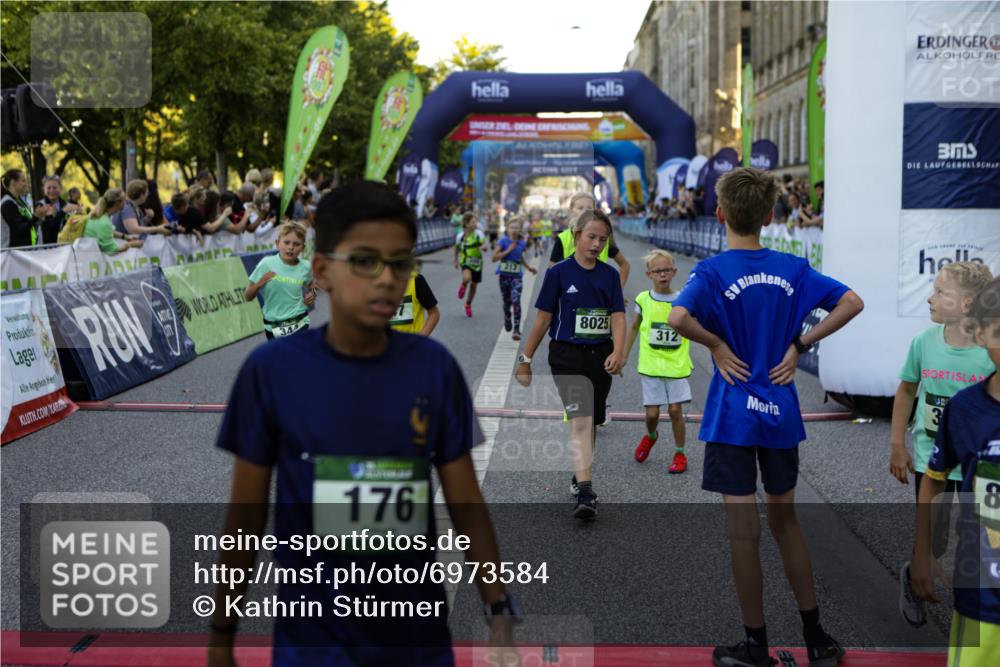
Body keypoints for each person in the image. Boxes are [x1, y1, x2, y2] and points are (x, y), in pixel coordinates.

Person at [208, 181, 517, 667]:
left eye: (400, 262)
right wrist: (220, 636)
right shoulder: (269, 373)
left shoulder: (434, 369)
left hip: (415, 640)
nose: (386, 278)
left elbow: (466, 504)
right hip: (312, 645)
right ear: (321, 270)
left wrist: (499, 609)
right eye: (365, 261)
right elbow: (244, 519)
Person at [668, 168, 864, 667]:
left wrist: (714, 343)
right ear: (771, 215)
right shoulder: (793, 268)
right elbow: (851, 302)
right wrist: (800, 345)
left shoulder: (711, 271)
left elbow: (676, 317)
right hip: (779, 408)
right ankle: (817, 638)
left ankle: (755, 644)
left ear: (720, 213)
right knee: (786, 521)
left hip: (734, 410)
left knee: (742, 530)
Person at [891, 262, 994, 627]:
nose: (930, 299)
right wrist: (896, 444)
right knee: (935, 539)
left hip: (975, 464)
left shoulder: (988, 353)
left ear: (967, 304)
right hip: (928, 459)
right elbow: (906, 391)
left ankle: (977, 609)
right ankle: (914, 576)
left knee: (977, 536)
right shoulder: (923, 343)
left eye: (939, 293)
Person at [911, 276, 1000, 667]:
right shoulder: (964, 410)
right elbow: (932, 482)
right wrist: (922, 554)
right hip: (981, 597)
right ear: (980, 333)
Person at [516, 209, 626, 520]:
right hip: (566, 354)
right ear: (576, 236)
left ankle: (581, 474)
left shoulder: (609, 275)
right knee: (580, 417)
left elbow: (618, 316)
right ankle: (587, 491)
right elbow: (543, 319)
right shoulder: (558, 273)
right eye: (591, 237)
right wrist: (525, 359)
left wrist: (619, 352)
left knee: (590, 420)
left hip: (600, 355)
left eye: (602, 240)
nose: (596, 245)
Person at [625, 250, 693, 473]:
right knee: (652, 414)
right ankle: (651, 435)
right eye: (657, 271)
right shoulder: (643, 299)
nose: (662, 275)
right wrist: (622, 355)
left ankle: (680, 453)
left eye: (666, 270)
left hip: (676, 363)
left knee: (675, 410)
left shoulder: (683, 299)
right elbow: (634, 327)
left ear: (674, 272)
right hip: (651, 364)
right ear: (649, 274)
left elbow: (694, 326)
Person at [245, 221, 315, 341]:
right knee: (280, 358)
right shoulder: (266, 263)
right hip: (273, 326)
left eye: (296, 244)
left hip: (300, 321)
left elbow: (311, 286)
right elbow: (247, 296)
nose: (291, 247)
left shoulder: (306, 267)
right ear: (278, 243)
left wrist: (312, 294)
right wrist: (260, 283)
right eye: (286, 242)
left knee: (295, 357)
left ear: (303, 248)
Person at [550, 192, 631, 297]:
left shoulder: (605, 237)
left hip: (599, 299)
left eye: (589, 209)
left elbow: (625, 265)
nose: (584, 212)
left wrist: (617, 294)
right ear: (571, 211)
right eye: (580, 208)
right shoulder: (563, 239)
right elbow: (551, 273)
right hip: (571, 299)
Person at [492, 216, 538, 341]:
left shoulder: (522, 243)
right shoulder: (503, 241)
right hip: (504, 277)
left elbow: (519, 257)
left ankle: (517, 330)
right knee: (507, 303)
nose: (514, 230)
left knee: (516, 301)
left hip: (517, 277)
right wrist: (508, 250)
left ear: (520, 230)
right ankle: (507, 317)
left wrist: (529, 268)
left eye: (517, 228)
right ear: (507, 229)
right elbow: (494, 258)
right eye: (512, 227)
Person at [83, 188, 144, 253]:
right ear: (118, 202)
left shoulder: (100, 216)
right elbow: (112, 250)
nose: (126, 202)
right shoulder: (104, 222)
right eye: (124, 200)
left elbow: (109, 231)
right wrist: (131, 244)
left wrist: (126, 237)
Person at [1, 168, 51, 248]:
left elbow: (27, 224)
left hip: (22, 254)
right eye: (23, 181)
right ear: (13, 182)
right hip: (11, 255)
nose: (26, 184)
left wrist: (38, 216)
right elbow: (19, 230)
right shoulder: (8, 204)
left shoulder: (19, 202)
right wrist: (36, 216)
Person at [454, 212, 489, 318]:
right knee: (467, 278)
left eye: (476, 221)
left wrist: (483, 248)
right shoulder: (460, 236)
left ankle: (468, 304)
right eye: (473, 222)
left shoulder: (479, 234)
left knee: (474, 286)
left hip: (477, 263)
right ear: (466, 223)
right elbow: (456, 249)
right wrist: (455, 260)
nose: (476, 224)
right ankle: (463, 285)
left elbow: (485, 246)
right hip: (465, 261)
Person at [389, 267, 441, 337]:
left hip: (410, 345)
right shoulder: (372, 283)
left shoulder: (416, 280)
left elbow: (434, 313)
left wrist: (418, 340)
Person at [40, 175, 79, 244]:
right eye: (48, 188)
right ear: (44, 190)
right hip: (47, 248)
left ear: (60, 189)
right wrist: (63, 212)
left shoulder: (67, 205)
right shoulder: (40, 205)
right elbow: (49, 229)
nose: (52, 190)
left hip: (66, 247)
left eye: (55, 187)